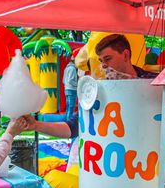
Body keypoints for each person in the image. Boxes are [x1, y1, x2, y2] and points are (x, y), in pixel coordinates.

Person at [25, 34, 156, 138]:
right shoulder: (98, 91)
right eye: (101, 61)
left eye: (108, 59)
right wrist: (36, 125)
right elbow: (72, 127)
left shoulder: (154, 83)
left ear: (126, 55)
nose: (104, 65)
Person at [63, 52, 79, 120]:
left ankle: (66, 121)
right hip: (72, 90)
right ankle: (68, 123)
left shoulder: (66, 68)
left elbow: (63, 80)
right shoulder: (73, 68)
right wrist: (78, 84)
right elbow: (70, 80)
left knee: (68, 108)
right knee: (71, 108)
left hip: (67, 89)